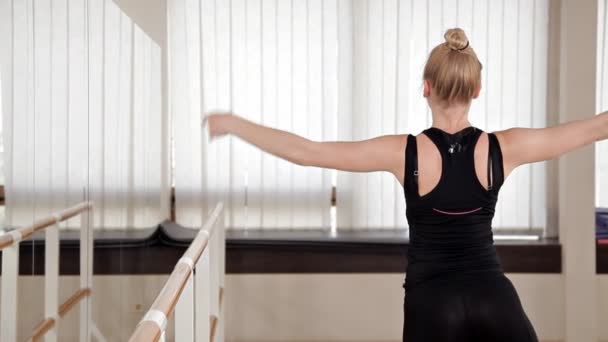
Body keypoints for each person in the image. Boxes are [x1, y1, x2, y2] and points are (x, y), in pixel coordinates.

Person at [203, 28, 608, 341]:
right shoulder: (506, 147)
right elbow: (594, 128)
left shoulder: (405, 153)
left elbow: (307, 152)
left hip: (431, 302)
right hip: (493, 297)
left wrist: (235, 124)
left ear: (426, 88)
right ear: (477, 90)